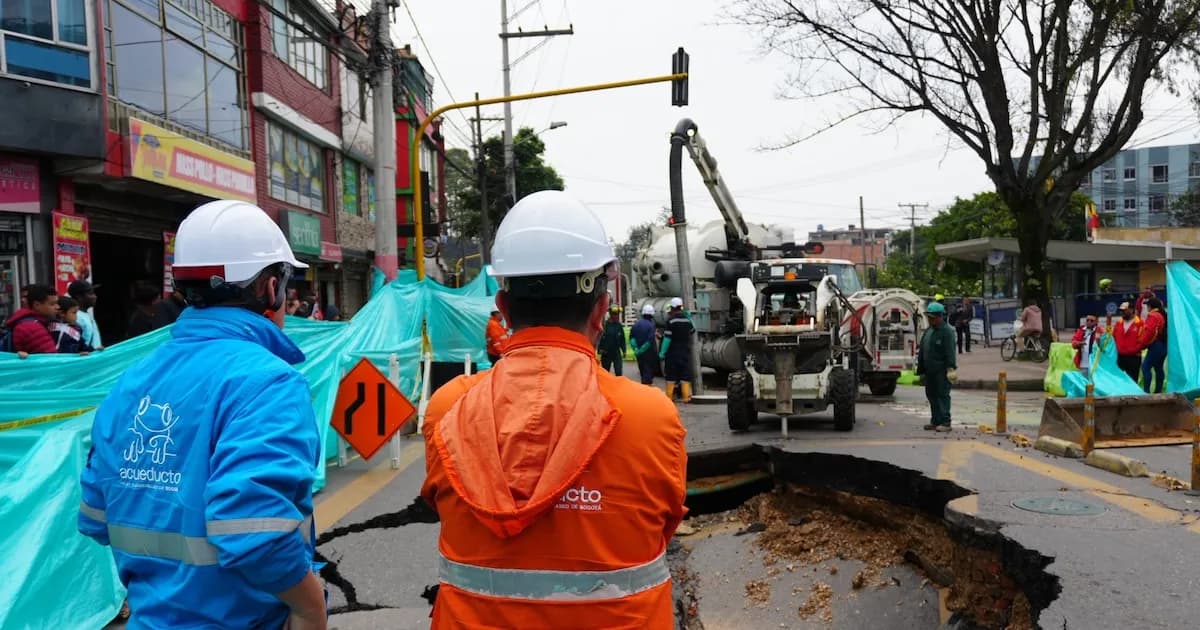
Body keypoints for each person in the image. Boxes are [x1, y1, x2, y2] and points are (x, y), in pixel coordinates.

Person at [420, 190, 687, 629]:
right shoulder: (650, 416)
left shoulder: (449, 407)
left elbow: (444, 508)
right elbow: (662, 525)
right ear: (602, 308)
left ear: (503, 309)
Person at [77, 199, 326, 630]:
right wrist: (309, 607)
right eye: (287, 281)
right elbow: (256, 532)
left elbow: (96, 515)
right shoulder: (268, 382)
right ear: (270, 287)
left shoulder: (134, 380)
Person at [916, 302, 957, 432]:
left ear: (940, 317)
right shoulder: (929, 331)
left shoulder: (947, 332)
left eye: (932, 317)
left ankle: (945, 422)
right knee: (931, 395)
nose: (930, 319)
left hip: (941, 371)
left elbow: (950, 352)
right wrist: (921, 369)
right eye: (929, 317)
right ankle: (935, 421)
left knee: (942, 395)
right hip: (930, 371)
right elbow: (923, 349)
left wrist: (951, 368)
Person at [4, 283, 59, 358]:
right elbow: (52, 359)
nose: (57, 307)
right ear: (36, 305)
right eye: (52, 304)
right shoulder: (31, 327)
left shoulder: (38, 322)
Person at [659, 297, 695, 403]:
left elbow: (667, 339)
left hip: (673, 353)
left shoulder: (671, 321)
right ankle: (686, 398)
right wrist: (690, 318)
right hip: (684, 352)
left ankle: (669, 398)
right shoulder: (687, 321)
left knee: (671, 376)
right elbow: (693, 330)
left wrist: (662, 352)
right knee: (685, 375)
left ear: (673, 308)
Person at [1139, 297, 1167, 394]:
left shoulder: (1153, 316)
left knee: (1146, 367)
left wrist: (1142, 345)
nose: (1146, 307)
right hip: (1163, 345)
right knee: (1158, 368)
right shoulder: (1162, 314)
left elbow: (1150, 332)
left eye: (1147, 305)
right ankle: (1158, 391)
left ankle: (1146, 391)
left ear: (1150, 306)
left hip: (1156, 345)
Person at [1111, 301, 1143, 383]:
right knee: (1118, 381)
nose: (1122, 312)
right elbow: (1113, 336)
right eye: (1121, 310)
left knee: (1132, 381)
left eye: (1124, 310)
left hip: (1134, 357)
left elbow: (1142, 340)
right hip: (1120, 357)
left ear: (1132, 310)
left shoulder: (1140, 323)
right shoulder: (1119, 323)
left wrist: (1134, 350)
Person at [67, 280, 103, 350]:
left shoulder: (85, 314)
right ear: (79, 297)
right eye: (91, 294)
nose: (95, 296)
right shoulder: (76, 317)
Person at [630, 303, 659, 385]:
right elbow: (649, 341)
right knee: (648, 374)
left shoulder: (636, 324)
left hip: (639, 355)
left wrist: (636, 349)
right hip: (649, 353)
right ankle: (647, 392)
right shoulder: (651, 325)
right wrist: (642, 349)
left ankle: (644, 388)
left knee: (642, 371)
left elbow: (632, 338)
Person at [598, 305, 627, 376]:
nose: (617, 316)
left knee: (619, 372)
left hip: (616, 353)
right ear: (610, 314)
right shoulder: (604, 325)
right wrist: (600, 349)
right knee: (605, 373)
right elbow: (599, 338)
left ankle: (618, 386)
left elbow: (622, 339)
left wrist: (624, 350)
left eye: (618, 314)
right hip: (606, 353)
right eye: (615, 314)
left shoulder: (619, 326)